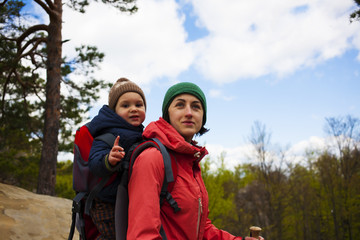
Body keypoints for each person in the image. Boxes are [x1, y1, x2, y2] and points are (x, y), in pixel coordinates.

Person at [127, 82, 260, 239]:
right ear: (167, 114)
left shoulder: (190, 162)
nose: (189, 112)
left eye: (196, 107)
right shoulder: (152, 158)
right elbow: (142, 235)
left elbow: (201, 228)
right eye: (180, 105)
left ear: (203, 117)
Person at [88, 77, 146, 239]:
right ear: (114, 111)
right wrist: (109, 159)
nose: (133, 109)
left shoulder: (142, 134)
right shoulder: (107, 134)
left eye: (139, 105)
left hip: (128, 200)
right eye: (125, 105)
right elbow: (94, 162)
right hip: (106, 203)